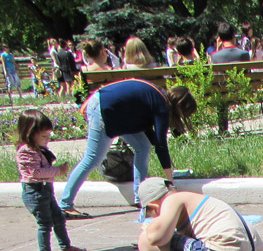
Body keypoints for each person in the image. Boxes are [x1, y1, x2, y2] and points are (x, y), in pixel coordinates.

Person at [59, 80, 197, 218]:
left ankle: (140, 197)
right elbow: (161, 144)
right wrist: (171, 183)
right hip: (103, 109)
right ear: (179, 106)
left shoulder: (158, 96)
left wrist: (165, 159)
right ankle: (65, 205)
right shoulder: (162, 105)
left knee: (142, 146)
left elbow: (150, 132)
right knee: (92, 159)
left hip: (112, 109)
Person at [16, 110, 86, 251]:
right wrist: (57, 171)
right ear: (29, 133)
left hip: (45, 189)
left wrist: (55, 170)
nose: (47, 139)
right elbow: (35, 172)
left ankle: (66, 246)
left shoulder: (39, 148)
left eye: (49, 136)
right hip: (35, 191)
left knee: (59, 218)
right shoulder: (25, 151)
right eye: (43, 136)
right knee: (45, 222)